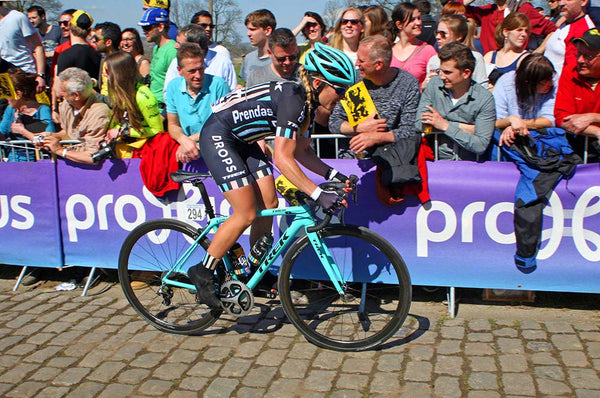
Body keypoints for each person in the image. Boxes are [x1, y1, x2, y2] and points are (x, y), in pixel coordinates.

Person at [187, 43, 356, 308]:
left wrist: (334, 174)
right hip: (219, 136)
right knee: (246, 213)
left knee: (270, 203)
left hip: (244, 141)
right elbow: (282, 158)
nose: (343, 97)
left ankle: (255, 272)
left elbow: (301, 152)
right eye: (340, 89)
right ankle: (203, 271)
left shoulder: (308, 107)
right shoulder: (294, 101)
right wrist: (318, 194)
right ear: (320, 82)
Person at [329, 35, 421, 154]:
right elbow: (334, 122)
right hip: (351, 159)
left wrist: (376, 138)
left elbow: (410, 130)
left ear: (378, 65)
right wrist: (359, 128)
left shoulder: (408, 84)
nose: (356, 64)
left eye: (362, 61)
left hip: (391, 160)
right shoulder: (354, 81)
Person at [416, 42, 496, 161]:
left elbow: (480, 145)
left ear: (466, 73)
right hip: (435, 163)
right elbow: (418, 124)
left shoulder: (484, 98)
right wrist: (464, 127)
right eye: (440, 71)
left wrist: (445, 125)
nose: (442, 77)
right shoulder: (434, 86)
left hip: (469, 166)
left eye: (447, 72)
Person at [165, 43, 231, 163]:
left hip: (219, 150)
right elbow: (173, 125)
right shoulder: (173, 87)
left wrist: (191, 140)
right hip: (188, 154)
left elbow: (225, 125)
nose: (198, 75)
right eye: (192, 71)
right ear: (180, 70)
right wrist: (183, 140)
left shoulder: (218, 85)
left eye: (201, 69)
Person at [41, 67, 110, 164]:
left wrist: (60, 151)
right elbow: (69, 133)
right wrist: (52, 137)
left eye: (63, 91)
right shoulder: (66, 104)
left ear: (76, 96)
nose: (60, 94)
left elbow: (93, 156)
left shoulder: (99, 113)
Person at [103, 51, 162, 158]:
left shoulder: (143, 95)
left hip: (141, 154)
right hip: (122, 151)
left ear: (119, 73)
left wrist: (125, 132)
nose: (104, 75)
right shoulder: (119, 92)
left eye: (107, 71)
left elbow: (157, 130)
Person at [554, 28, 600, 160]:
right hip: (576, 147)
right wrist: (597, 131)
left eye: (588, 56)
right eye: (579, 53)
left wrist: (593, 117)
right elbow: (562, 118)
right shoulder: (571, 71)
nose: (580, 60)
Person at [494, 53, 556, 148]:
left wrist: (518, 124)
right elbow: (494, 121)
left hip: (542, 143)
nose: (551, 84)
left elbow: (549, 120)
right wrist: (511, 120)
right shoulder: (505, 82)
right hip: (509, 144)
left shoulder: (554, 84)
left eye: (551, 79)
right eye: (544, 83)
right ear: (528, 82)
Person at [462, 0, 557, 55]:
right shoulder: (487, 11)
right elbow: (454, 9)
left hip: (514, 66)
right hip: (488, 64)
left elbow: (553, 30)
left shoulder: (523, 9)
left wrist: (537, 52)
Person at [0, 68, 56, 162]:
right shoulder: (11, 109)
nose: (6, 99)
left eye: (8, 94)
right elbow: (2, 134)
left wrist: (23, 132)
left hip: (37, 164)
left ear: (18, 94)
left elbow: (49, 142)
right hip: (13, 163)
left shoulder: (43, 110)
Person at [424, 14, 487, 89]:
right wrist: (426, 85)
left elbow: (482, 88)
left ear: (459, 36)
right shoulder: (434, 60)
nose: (438, 37)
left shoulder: (475, 58)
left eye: (443, 34)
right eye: (436, 33)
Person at [0, 2, 46, 92]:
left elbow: (38, 46)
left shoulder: (17, 17)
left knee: (27, 105)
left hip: (23, 73)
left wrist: (40, 75)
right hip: (4, 76)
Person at [389, 2, 437, 86]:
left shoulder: (428, 51)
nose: (418, 23)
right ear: (399, 24)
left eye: (419, 18)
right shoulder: (388, 51)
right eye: (412, 20)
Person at [543, 0, 595, 76]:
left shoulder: (583, 31)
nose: (561, 3)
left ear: (583, 1)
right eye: (560, 0)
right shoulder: (564, 22)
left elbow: (574, 72)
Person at [139, 7, 177, 107]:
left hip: (165, 109)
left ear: (160, 27)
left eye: (147, 28)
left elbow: (177, 85)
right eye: (143, 28)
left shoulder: (172, 51)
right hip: (153, 107)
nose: (144, 32)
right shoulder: (156, 48)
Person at [190, 10, 237, 90]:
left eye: (211, 26)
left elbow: (231, 87)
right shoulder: (185, 55)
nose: (208, 29)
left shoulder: (222, 53)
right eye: (204, 25)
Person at [484, 12, 530, 88]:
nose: (524, 34)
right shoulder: (490, 56)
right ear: (506, 32)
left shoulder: (525, 59)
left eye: (526, 31)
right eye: (519, 30)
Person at [55, 10, 100, 81]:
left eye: (65, 23)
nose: (62, 26)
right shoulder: (98, 54)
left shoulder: (66, 55)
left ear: (70, 26)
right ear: (89, 30)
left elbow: (59, 87)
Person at [239, 9, 276, 86]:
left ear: (267, 30)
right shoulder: (249, 59)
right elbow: (247, 86)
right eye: (248, 29)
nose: (248, 34)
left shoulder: (280, 59)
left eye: (252, 29)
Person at [92, 22, 122, 96]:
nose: (93, 41)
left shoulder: (120, 63)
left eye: (96, 39)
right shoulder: (104, 59)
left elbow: (118, 98)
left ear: (108, 42)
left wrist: (90, 91)